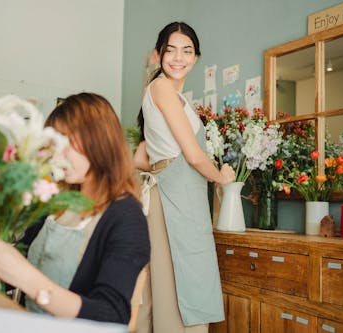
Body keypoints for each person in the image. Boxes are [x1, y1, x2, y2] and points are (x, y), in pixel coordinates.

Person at [0, 93, 150, 324]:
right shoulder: (57, 204)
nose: (58, 155)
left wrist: (29, 280)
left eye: (67, 143)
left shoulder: (126, 217)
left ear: (100, 140)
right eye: (54, 145)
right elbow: (6, 272)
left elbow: (111, 315)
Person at [133, 22, 235, 333]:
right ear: (158, 54)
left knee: (179, 283)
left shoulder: (172, 94)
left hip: (176, 195)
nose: (179, 57)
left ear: (196, 58)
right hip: (175, 197)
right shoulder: (162, 87)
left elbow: (141, 155)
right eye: (171, 50)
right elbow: (192, 155)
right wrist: (223, 177)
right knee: (177, 288)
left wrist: (159, 167)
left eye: (187, 51)